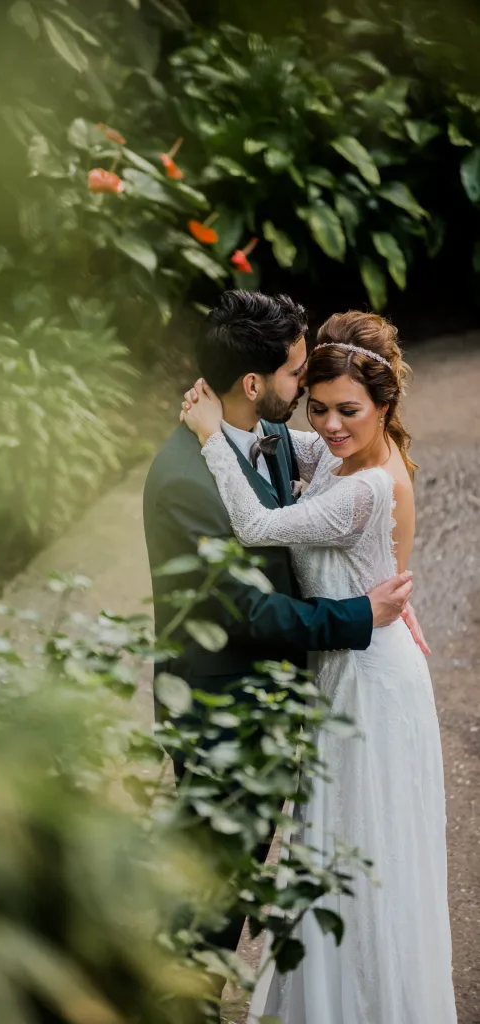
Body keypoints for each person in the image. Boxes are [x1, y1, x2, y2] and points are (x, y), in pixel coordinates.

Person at [180, 308, 456, 1024]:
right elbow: (294, 447)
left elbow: (258, 525)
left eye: (347, 411)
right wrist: (256, 421)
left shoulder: (363, 487)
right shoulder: (348, 452)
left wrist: (212, 436)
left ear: (384, 404)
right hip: (353, 662)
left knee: (359, 855)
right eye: (318, 406)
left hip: (367, 679)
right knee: (337, 850)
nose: (329, 426)